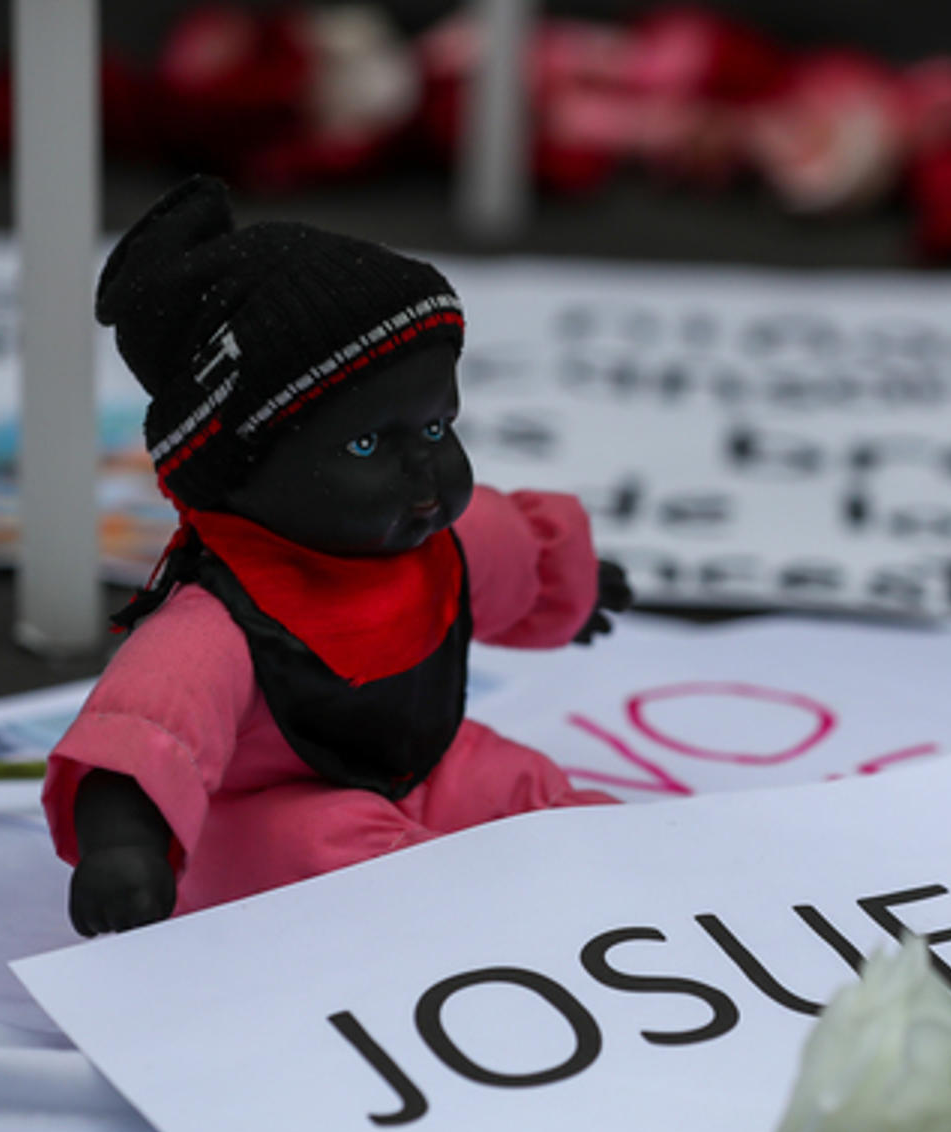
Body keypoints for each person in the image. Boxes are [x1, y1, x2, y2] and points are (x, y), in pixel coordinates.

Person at [42, 177, 632, 935]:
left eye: (435, 427)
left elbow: (514, 551)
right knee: (338, 859)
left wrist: (574, 590)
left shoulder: (436, 544)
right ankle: (460, 933)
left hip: (423, 767)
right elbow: (146, 726)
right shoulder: (221, 623)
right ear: (240, 474)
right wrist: (124, 846)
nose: (423, 467)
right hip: (268, 810)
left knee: (527, 785)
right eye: (365, 443)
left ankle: (619, 883)